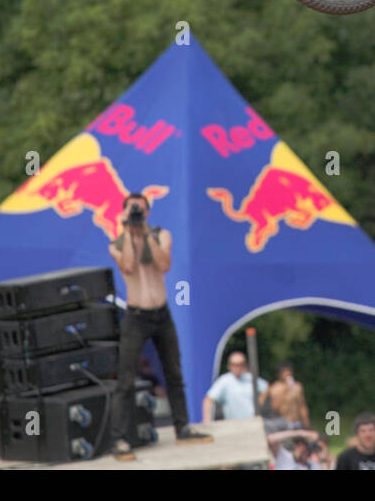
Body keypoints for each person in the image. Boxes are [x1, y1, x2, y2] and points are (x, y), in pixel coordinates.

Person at [106, 192, 210, 459]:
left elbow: (164, 264)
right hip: (136, 316)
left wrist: (145, 233)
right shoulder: (116, 244)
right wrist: (129, 232)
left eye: (140, 210)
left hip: (161, 314)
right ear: (123, 213)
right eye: (132, 210)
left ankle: (182, 427)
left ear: (148, 213)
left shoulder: (161, 235)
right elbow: (128, 266)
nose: (136, 214)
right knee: (125, 378)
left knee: (174, 372)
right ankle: (119, 439)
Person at [203, 352, 268, 422]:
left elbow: (266, 388)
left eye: (240, 364)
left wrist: (260, 403)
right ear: (229, 366)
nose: (237, 367)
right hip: (233, 423)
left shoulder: (250, 378)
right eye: (234, 364)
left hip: (253, 421)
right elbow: (208, 399)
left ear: (244, 365)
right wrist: (207, 420)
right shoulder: (224, 380)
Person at [264, 362, 309, 429]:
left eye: (289, 372)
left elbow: (302, 406)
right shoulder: (275, 388)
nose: (287, 375)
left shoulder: (297, 387)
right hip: (282, 423)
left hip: (296, 422)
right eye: (285, 372)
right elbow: (274, 407)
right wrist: (285, 391)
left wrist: (306, 424)